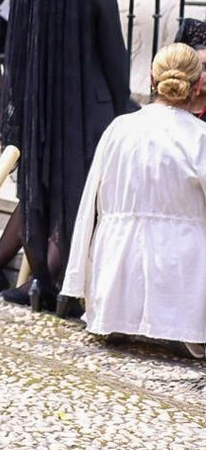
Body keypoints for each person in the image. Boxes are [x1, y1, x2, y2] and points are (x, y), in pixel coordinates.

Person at [0, 0, 133, 312]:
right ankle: (60, 285)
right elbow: (115, 63)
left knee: (37, 193)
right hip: (89, 113)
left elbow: (15, 51)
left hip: (38, 110)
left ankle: (41, 284)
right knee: (79, 198)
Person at [63, 43, 206, 359]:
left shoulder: (120, 128)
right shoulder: (199, 138)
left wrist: (78, 281)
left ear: (151, 80)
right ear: (197, 86)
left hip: (116, 277)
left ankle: (119, 316)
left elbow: (89, 207)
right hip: (182, 280)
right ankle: (183, 327)